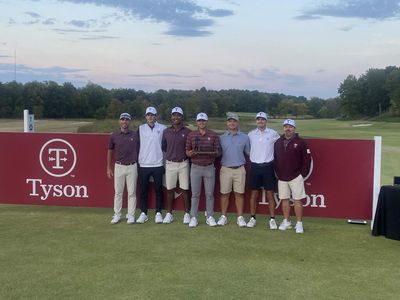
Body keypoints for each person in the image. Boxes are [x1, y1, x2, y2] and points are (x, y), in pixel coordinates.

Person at [274, 119, 311, 234]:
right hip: (282, 176)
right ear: (283, 128)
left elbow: (307, 160)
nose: (288, 129)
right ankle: (287, 221)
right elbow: (275, 159)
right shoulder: (278, 142)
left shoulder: (301, 142)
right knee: (284, 199)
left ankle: (299, 223)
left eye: (290, 127)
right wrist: (278, 172)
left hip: (296, 176)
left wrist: (302, 175)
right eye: (286, 126)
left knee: (297, 200)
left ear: (294, 128)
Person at [186, 112, 220, 228]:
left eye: (203, 120)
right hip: (195, 167)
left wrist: (211, 154)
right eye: (199, 121)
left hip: (209, 167)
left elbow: (217, 152)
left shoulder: (214, 135)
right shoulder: (191, 135)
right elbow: (187, 151)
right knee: (195, 194)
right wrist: (190, 153)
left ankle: (209, 216)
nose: (201, 122)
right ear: (197, 122)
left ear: (206, 121)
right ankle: (194, 217)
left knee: (209, 194)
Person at [247, 112, 280, 229]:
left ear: (266, 121)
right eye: (258, 119)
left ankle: (272, 219)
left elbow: (279, 145)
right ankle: (252, 218)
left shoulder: (273, 133)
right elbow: (248, 149)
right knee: (254, 194)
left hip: (268, 166)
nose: (260, 121)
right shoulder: (250, 134)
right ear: (256, 121)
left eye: (263, 119)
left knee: (270, 193)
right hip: (255, 166)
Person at [217, 113, 250, 227]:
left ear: (238, 123)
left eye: (234, 121)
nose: (232, 123)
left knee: (239, 194)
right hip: (225, 169)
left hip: (240, 169)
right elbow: (217, 153)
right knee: (224, 194)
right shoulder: (221, 138)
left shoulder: (245, 137)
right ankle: (223, 217)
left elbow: (249, 153)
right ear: (227, 123)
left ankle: (240, 217)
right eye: (230, 121)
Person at [107, 112, 139, 224]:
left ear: (129, 121)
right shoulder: (114, 136)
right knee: (118, 192)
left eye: (127, 119)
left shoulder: (135, 135)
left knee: (132, 192)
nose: (124, 121)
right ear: (119, 121)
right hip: (119, 166)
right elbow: (110, 151)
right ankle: (117, 214)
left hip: (132, 166)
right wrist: (108, 167)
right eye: (122, 119)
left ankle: (131, 215)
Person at [136, 106, 167, 224]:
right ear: (145, 116)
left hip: (158, 164)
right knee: (143, 191)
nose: (150, 117)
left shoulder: (163, 128)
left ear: (156, 116)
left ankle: (158, 212)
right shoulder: (140, 128)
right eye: (148, 115)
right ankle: (144, 213)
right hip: (143, 164)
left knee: (159, 190)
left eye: (152, 115)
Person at [161, 107, 191, 224]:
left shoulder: (187, 132)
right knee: (170, 189)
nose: (176, 117)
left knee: (185, 189)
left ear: (182, 117)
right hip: (170, 164)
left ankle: (186, 214)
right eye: (174, 115)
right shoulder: (166, 132)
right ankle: (169, 214)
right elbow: (164, 147)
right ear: (171, 117)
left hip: (184, 163)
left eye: (178, 115)